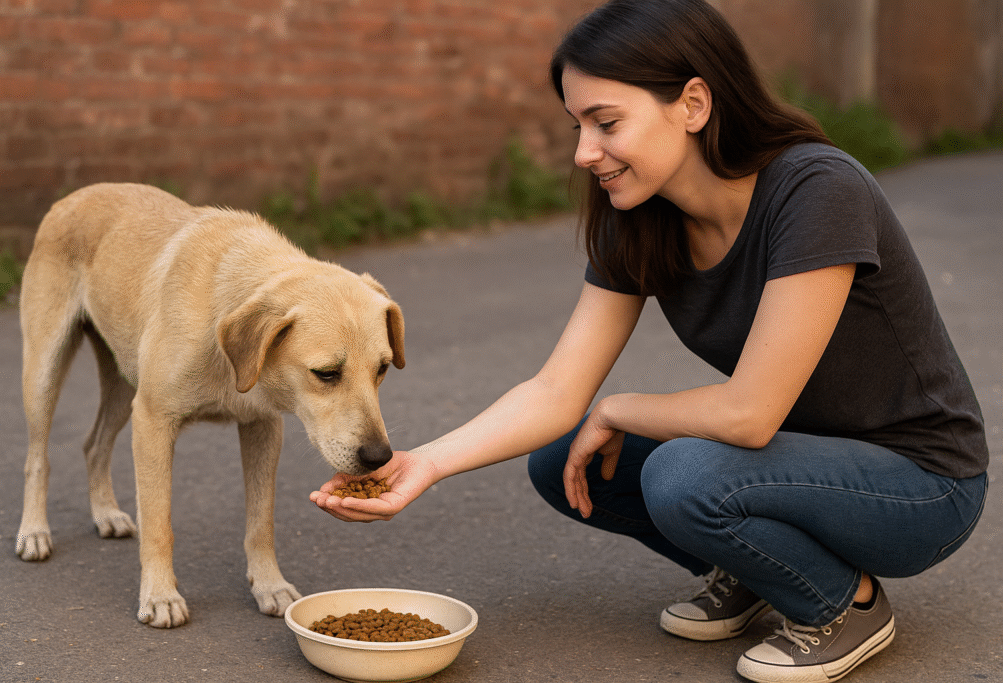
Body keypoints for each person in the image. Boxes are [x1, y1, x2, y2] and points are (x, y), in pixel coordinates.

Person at [311, 1, 990, 681]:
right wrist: (423, 464)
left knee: (680, 474)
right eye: (578, 126)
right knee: (562, 456)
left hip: (920, 484)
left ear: (693, 104)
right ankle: (759, 570)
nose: (584, 152)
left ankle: (845, 605)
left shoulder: (816, 190)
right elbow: (555, 390)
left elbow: (749, 414)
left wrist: (620, 408)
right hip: (791, 461)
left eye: (607, 123)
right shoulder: (639, 215)